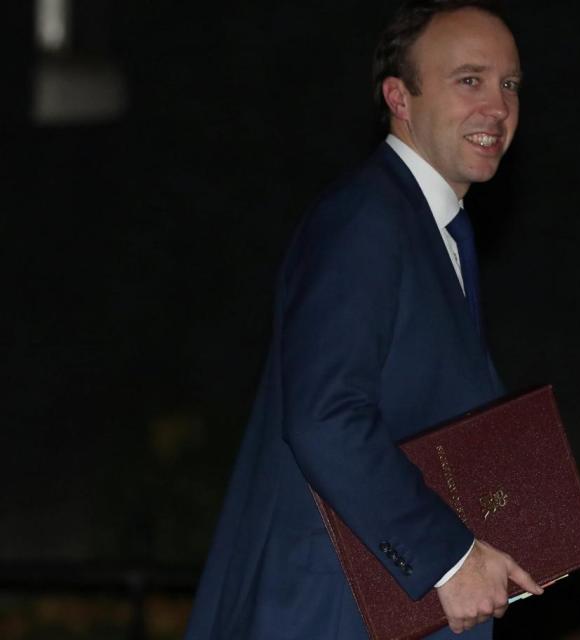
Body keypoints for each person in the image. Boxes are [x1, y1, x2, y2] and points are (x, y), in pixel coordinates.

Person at [185, 2, 542, 638]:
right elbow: (325, 416)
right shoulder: (366, 220)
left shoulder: (433, 231)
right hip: (337, 611)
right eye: (470, 79)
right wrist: (448, 558)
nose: (497, 106)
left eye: (509, 84)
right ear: (399, 97)